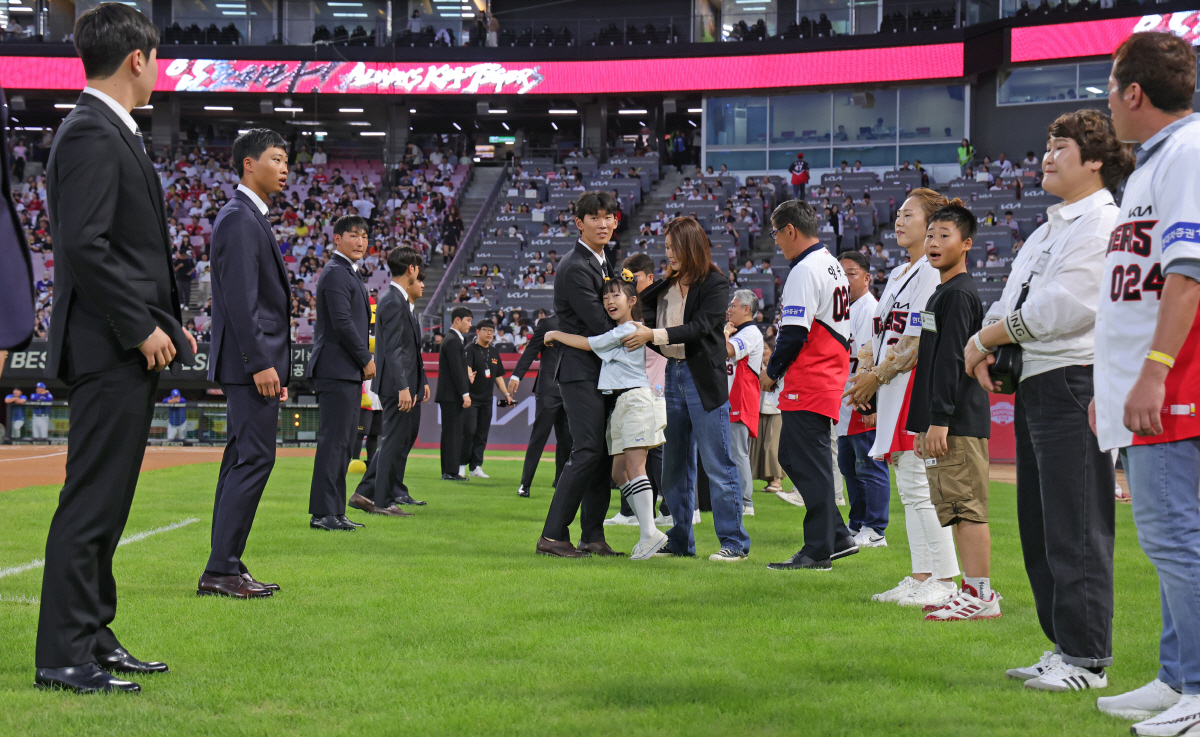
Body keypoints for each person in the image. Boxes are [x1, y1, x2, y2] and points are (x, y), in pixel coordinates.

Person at [36, 3, 196, 694]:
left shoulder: (104, 129)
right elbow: (84, 245)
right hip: (106, 348)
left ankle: (93, 633)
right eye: (155, 58)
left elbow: (112, 248)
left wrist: (165, 321)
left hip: (117, 346)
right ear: (137, 58)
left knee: (107, 501)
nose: (156, 69)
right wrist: (138, 324)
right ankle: (64, 655)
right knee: (92, 503)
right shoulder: (93, 133)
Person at [964, 109, 1132, 689]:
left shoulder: (1104, 221)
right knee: (1039, 527)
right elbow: (1009, 296)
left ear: (1095, 162)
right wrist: (987, 341)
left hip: (1073, 378)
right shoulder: (1049, 226)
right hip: (1037, 376)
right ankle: (1063, 647)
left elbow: (1069, 305)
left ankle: (1088, 660)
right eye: (1047, 144)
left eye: (1062, 146)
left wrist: (986, 337)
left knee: (1076, 522)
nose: (1047, 154)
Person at [1091, 32, 1200, 732]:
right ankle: (1177, 675)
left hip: (1176, 377)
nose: (1108, 101)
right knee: (1169, 537)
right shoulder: (1154, 163)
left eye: (1110, 87)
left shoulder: (1187, 152)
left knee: (1174, 537)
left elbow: (1189, 273)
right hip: (1154, 377)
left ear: (1135, 92)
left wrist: (1155, 372)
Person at [844, 188, 961, 609]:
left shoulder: (931, 271)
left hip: (913, 385)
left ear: (930, 225)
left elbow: (917, 339)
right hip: (889, 387)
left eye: (908, 214)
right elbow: (876, 334)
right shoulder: (897, 274)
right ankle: (920, 574)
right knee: (910, 487)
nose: (898, 220)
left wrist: (874, 376)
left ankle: (945, 579)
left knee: (921, 485)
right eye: (898, 213)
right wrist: (864, 373)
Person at [621, 217, 751, 562]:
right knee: (674, 467)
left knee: (718, 464)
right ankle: (681, 540)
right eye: (665, 249)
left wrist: (654, 336)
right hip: (673, 375)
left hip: (702, 380)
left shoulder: (715, 283)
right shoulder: (666, 285)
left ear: (690, 247)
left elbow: (701, 327)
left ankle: (735, 543)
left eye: (672, 249)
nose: (668, 255)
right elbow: (643, 307)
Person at [199, 128, 291, 598]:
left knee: (241, 457)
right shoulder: (239, 217)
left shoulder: (248, 216)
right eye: (276, 158)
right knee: (254, 457)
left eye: (286, 160)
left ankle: (225, 564)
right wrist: (260, 362)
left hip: (251, 363)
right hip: (249, 364)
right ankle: (220, 569)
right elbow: (240, 299)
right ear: (248, 164)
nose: (285, 167)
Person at [907, 200, 997, 621]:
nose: (934, 242)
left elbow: (952, 361)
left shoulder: (959, 294)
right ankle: (971, 590)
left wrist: (939, 419)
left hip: (957, 419)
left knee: (966, 508)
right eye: (931, 235)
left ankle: (981, 594)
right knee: (955, 509)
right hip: (945, 418)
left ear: (967, 244)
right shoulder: (943, 291)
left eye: (945, 235)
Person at [543, 277, 670, 559]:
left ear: (632, 301)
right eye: (605, 298)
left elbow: (588, 343)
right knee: (617, 472)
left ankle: (649, 533)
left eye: (616, 296)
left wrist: (555, 334)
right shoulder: (623, 330)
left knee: (636, 466)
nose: (609, 301)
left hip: (636, 399)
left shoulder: (626, 329)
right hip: (623, 403)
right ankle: (649, 530)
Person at [758, 201, 854, 571]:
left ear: (790, 231)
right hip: (826, 372)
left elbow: (794, 332)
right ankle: (839, 534)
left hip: (811, 375)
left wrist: (772, 372)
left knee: (803, 460)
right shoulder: (831, 264)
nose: (777, 243)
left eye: (776, 233)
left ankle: (817, 550)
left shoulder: (805, 269)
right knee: (800, 458)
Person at [537, 192, 621, 559]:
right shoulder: (575, 266)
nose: (603, 224)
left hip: (598, 370)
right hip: (579, 371)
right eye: (595, 218)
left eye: (608, 217)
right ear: (579, 223)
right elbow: (602, 324)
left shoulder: (602, 262)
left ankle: (593, 536)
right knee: (587, 450)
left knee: (600, 454)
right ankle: (553, 535)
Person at [306, 215, 374, 532]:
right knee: (334, 442)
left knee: (345, 444)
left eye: (364, 236)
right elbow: (342, 323)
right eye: (353, 235)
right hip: (337, 368)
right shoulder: (335, 273)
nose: (360, 241)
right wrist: (365, 358)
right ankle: (323, 512)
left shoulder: (348, 273)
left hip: (345, 370)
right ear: (337, 238)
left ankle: (335, 510)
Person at [351, 248, 428, 517]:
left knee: (395, 441)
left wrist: (420, 381)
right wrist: (404, 386)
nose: (419, 272)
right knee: (394, 441)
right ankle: (383, 501)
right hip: (396, 385)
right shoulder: (394, 300)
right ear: (411, 269)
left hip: (400, 383)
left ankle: (364, 493)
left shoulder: (395, 298)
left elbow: (407, 349)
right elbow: (395, 350)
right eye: (418, 267)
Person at [836, 251, 888, 548]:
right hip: (845, 397)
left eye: (851, 273)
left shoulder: (870, 309)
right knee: (848, 463)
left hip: (862, 395)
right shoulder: (848, 308)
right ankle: (857, 523)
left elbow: (872, 359)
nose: (845, 279)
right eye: (841, 273)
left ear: (867, 277)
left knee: (869, 463)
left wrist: (871, 404)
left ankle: (875, 528)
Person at [509, 312, 572, 498]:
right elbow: (531, 349)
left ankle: (560, 481)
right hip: (548, 389)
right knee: (539, 437)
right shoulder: (548, 323)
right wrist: (516, 375)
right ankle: (525, 484)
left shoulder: (581, 321)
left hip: (570, 390)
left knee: (567, 439)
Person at [725, 289, 762, 517]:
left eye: (734, 305)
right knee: (731, 451)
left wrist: (726, 333)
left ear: (746, 309)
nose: (729, 308)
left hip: (740, 397)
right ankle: (736, 497)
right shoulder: (740, 331)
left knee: (737, 451)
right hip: (730, 397)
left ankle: (746, 501)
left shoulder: (750, 333)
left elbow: (725, 350)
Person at [461, 319, 513, 478]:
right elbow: (467, 368)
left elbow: (498, 377)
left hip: (486, 399)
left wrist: (506, 394)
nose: (489, 333)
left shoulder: (494, 352)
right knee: (469, 431)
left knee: (482, 433)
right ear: (478, 331)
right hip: (472, 398)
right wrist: (469, 375)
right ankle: (461, 464)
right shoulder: (470, 349)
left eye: (492, 330)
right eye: (486, 330)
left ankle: (476, 466)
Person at [436, 307, 473, 480]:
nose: (470, 325)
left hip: (449, 395)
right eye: (467, 320)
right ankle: (450, 471)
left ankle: (449, 470)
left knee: (452, 432)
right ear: (457, 320)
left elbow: (459, 369)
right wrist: (465, 393)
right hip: (452, 395)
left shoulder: (453, 339)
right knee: (453, 433)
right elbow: (456, 370)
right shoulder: (453, 341)